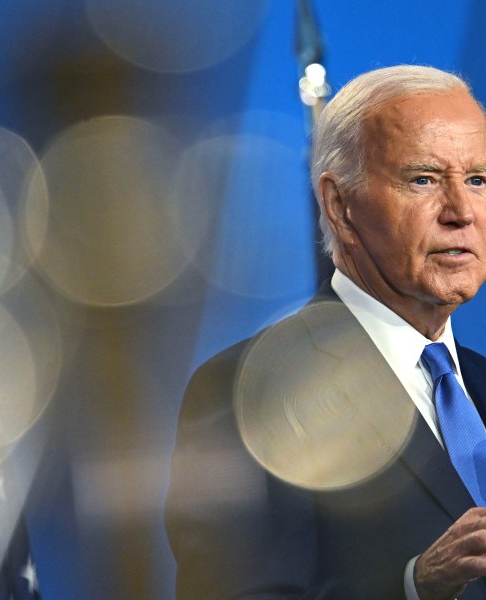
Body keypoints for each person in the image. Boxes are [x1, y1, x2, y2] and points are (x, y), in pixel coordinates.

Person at [165, 65, 486, 600]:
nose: (461, 213)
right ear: (340, 206)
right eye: (423, 179)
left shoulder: (477, 378)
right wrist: (413, 585)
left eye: (478, 180)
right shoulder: (249, 390)